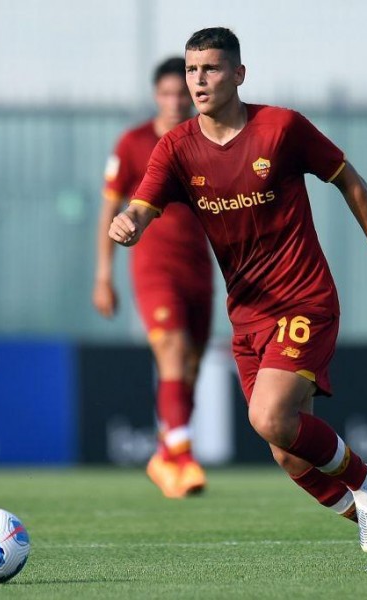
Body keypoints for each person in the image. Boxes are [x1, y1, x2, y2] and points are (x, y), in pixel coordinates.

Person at [109, 27, 367, 571]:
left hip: (304, 298)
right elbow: (142, 204)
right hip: (248, 315)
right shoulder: (177, 147)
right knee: (285, 449)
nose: (199, 80)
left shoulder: (281, 128)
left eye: (210, 69)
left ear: (238, 74)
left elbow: (349, 181)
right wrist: (129, 224)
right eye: (191, 70)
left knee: (269, 417)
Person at [94, 57, 214, 499]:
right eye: (165, 94)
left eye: (180, 93)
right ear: (155, 96)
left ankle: (165, 454)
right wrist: (104, 275)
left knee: (191, 369)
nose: (174, 101)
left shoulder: (207, 138)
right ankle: (182, 458)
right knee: (171, 347)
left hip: (199, 267)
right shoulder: (132, 143)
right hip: (152, 265)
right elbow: (109, 210)